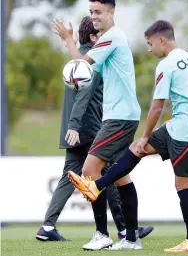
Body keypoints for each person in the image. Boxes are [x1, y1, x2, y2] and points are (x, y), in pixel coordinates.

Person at [69, 20, 188, 253]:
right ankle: (100, 190)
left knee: (182, 183)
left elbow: (156, 107)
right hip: (182, 124)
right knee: (136, 150)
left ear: (162, 40)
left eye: (150, 44)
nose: (149, 49)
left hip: (187, 131)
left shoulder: (166, 65)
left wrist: (145, 135)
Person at [36, 16, 153, 244]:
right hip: (90, 129)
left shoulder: (76, 61)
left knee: (70, 177)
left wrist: (69, 41)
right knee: (104, 173)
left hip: (74, 130)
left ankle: (47, 226)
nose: (103, 38)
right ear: (93, 37)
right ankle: (122, 229)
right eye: (99, 35)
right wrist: (76, 125)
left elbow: (79, 74)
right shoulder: (97, 59)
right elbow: (85, 93)